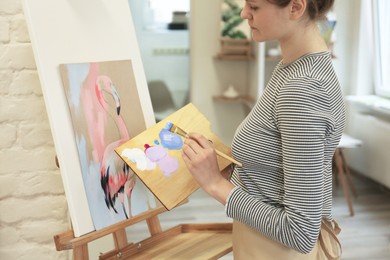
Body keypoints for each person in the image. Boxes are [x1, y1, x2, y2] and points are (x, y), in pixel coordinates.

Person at [182, 0, 345, 259]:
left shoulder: (302, 89)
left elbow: (300, 232)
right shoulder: (292, 68)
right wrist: (228, 167)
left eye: (254, 6)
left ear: (295, 7)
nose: (244, 13)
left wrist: (215, 184)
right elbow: (276, 171)